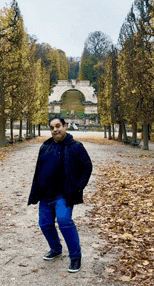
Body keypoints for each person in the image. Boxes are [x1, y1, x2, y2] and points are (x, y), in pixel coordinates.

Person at [28, 117, 92, 273]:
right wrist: (36, 191)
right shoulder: (45, 146)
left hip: (63, 195)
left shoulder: (76, 146)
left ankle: (75, 257)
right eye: (52, 127)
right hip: (45, 195)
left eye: (58, 126)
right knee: (44, 224)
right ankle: (56, 249)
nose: (55, 129)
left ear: (65, 126)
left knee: (64, 221)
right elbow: (38, 171)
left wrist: (77, 187)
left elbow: (87, 167)